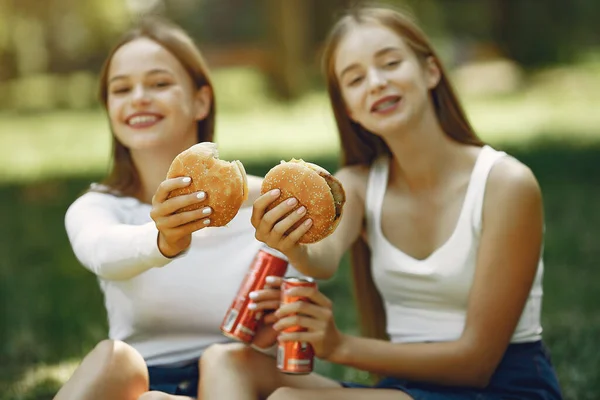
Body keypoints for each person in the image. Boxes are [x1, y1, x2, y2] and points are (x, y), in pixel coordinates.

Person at [198, 5, 564, 400]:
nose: (375, 82)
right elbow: (320, 255)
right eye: (354, 79)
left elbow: (476, 363)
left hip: (502, 387)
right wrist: (291, 242)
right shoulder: (359, 185)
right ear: (349, 109)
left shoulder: (506, 184)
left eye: (390, 63)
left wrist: (339, 347)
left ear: (431, 71)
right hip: (405, 389)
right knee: (226, 362)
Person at [54, 17, 283, 400]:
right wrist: (164, 239)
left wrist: (275, 326)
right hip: (140, 383)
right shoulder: (97, 208)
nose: (139, 97)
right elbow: (103, 252)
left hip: (240, 380)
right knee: (114, 360)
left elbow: (305, 279)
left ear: (201, 101)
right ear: (109, 107)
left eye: (159, 83)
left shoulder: (265, 202)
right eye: (121, 88)